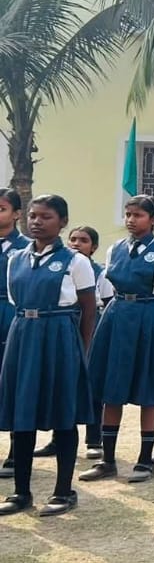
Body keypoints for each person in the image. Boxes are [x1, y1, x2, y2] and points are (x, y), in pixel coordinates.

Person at [0, 195, 97, 517]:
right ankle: (21, 492)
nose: (37, 222)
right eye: (33, 216)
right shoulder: (16, 259)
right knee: (22, 413)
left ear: (62, 222)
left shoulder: (75, 262)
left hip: (59, 338)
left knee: (63, 413)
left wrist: (81, 350)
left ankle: (63, 491)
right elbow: (16, 301)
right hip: (23, 336)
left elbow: (88, 310)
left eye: (46, 217)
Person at [81, 195, 154, 485]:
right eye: (128, 214)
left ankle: (145, 460)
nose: (131, 220)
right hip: (117, 314)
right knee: (112, 388)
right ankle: (108, 460)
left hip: (148, 314)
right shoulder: (115, 249)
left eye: (138, 215)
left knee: (148, 390)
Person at [0, 188, 32, 480]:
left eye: (2, 209)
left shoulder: (26, 249)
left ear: (17, 214)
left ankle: (15, 451)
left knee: (12, 381)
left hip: (11, 313)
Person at [67, 225, 106, 458]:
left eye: (83, 240)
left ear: (94, 247)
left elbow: (107, 302)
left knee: (92, 382)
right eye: (73, 239)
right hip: (66, 324)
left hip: (92, 324)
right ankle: (59, 437)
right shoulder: (63, 267)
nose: (76, 244)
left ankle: (94, 440)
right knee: (65, 383)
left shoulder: (100, 272)